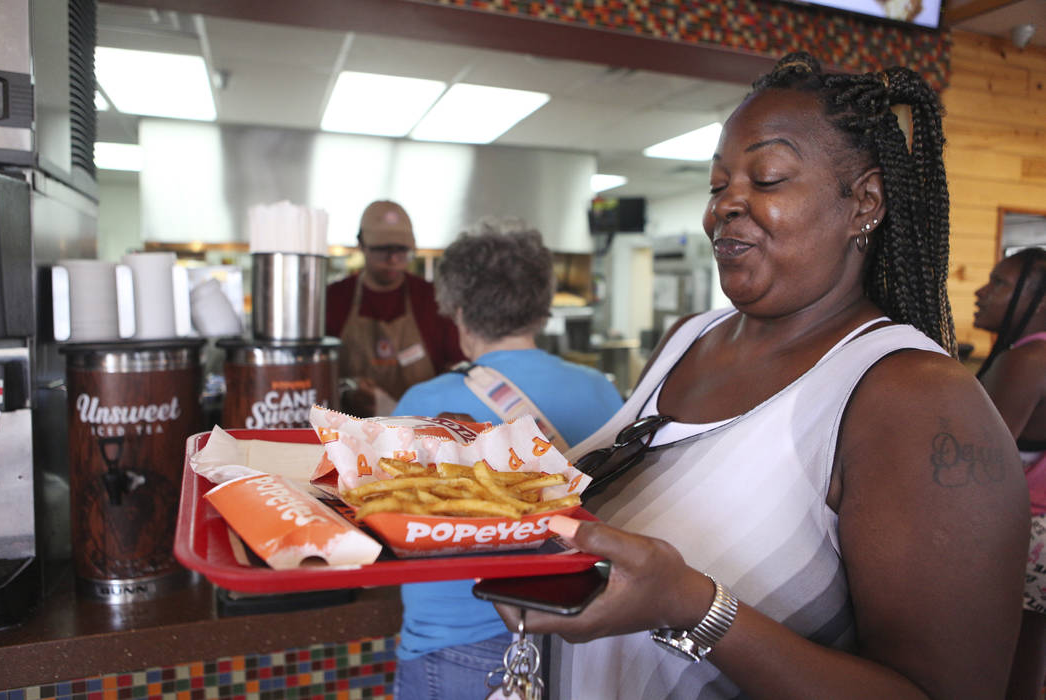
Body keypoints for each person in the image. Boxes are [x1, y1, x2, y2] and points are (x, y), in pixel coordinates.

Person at [490, 51, 1030, 699]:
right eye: (718, 185)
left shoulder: (914, 399)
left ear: (864, 203)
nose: (727, 205)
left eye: (767, 178)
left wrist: (693, 607)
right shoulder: (688, 338)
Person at [389, 218, 623, 700]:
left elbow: (388, 527)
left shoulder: (420, 403)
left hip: (453, 644)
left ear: (455, 309)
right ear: (542, 306)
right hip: (575, 637)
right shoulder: (601, 391)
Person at [972, 247, 1046, 700]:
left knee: (1011, 669)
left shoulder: (1030, 360)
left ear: (1039, 302)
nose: (982, 292)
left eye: (1000, 284)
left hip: (1028, 534)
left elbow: (981, 468)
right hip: (1035, 527)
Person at [325, 200, 465, 417]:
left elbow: (459, 371)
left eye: (401, 250)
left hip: (423, 435)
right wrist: (349, 392)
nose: (392, 259)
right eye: (382, 250)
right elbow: (320, 379)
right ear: (361, 245)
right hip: (350, 436)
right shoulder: (334, 299)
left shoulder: (434, 299)